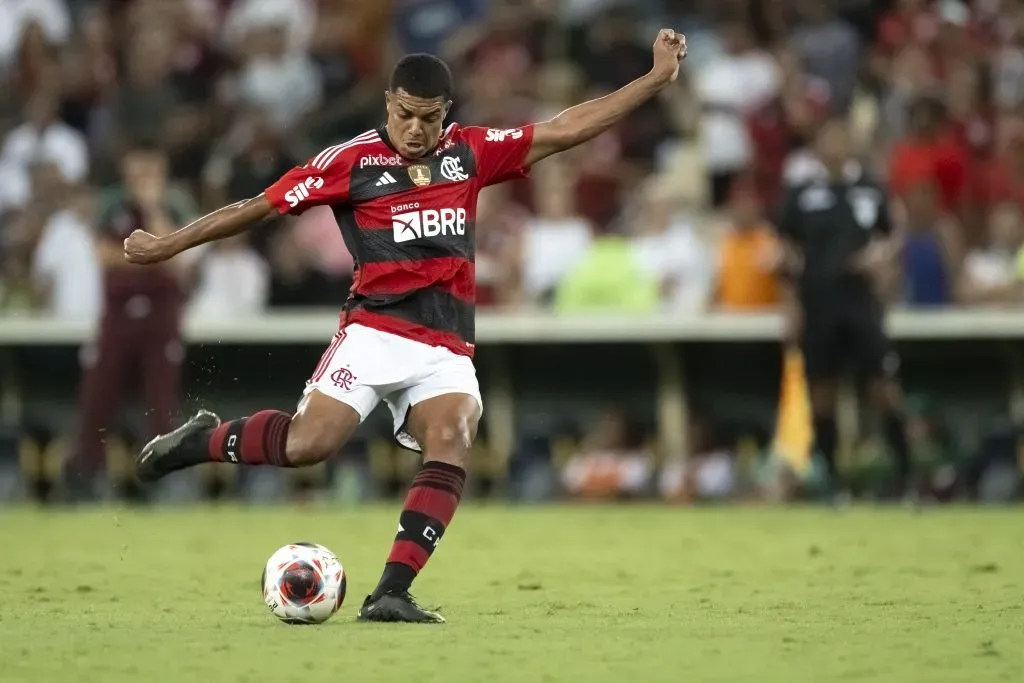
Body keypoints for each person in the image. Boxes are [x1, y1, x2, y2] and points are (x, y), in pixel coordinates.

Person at [123, 31, 688, 623]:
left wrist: (654, 79)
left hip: (444, 344)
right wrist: (169, 244)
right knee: (308, 445)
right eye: (405, 115)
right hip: (374, 331)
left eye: (429, 118)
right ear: (388, 103)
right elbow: (259, 206)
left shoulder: (469, 152)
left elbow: (565, 128)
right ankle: (200, 441)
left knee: (454, 434)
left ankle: (391, 592)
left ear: (446, 113)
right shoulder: (350, 161)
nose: (416, 129)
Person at [775, 117, 913, 501]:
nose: (835, 145)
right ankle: (832, 484)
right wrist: (790, 303)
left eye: (841, 137)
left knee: (883, 388)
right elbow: (786, 245)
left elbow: (892, 234)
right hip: (819, 300)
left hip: (860, 300)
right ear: (817, 146)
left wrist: (880, 259)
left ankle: (906, 478)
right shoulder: (802, 193)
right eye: (828, 138)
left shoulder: (869, 188)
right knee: (822, 392)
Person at [65, 141, 193, 501]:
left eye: (150, 171)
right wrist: (151, 255)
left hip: (161, 318)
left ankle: (161, 478)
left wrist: (152, 209)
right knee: (98, 396)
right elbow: (103, 255)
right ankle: (86, 476)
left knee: (161, 400)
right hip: (117, 316)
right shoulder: (111, 205)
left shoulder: (175, 205)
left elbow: (177, 262)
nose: (142, 179)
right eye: (137, 171)